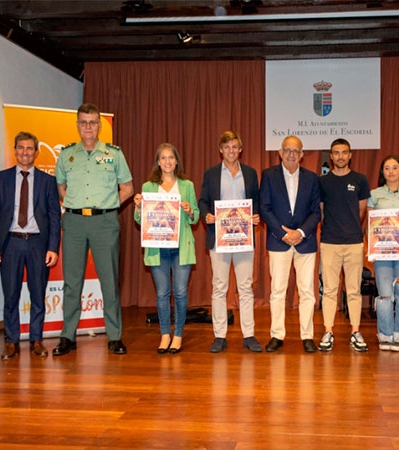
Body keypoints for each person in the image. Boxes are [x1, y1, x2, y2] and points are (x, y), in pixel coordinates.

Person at [53, 103, 134, 356]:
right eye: (83, 122)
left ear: (100, 126)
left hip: (105, 222)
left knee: (109, 281)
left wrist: (109, 206)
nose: (88, 127)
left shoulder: (114, 154)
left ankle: (114, 336)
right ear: (78, 125)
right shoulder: (66, 155)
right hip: (75, 223)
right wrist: (77, 208)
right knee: (72, 282)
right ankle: (67, 336)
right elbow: (61, 189)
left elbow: (128, 188)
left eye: (93, 122)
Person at [0, 132, 62, 360]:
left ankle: (36, 340)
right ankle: (11, 341)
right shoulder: (0, 179)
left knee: (38, 295)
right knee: (11, 295)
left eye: (30, 148)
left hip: (38, 244)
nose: (25, 152)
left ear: (36, 152)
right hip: (11, 243)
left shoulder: (48, 181)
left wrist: (52, 248)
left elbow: (54, 217)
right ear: (15, 150)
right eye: (21, 148)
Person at [198, 131, 262, 353]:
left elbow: (257, 201)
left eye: (235, 147)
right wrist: (206, 215)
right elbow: (203, 201)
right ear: (220, 150)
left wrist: (256, 215)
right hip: (220, 238)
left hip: (243, 238)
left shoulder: (251, 174)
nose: (231, 151)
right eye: (227, 147)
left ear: (240, 150)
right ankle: (219, 335)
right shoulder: (211, 174)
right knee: (219, 287)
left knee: (246, 287)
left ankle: (249, 334)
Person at [134, 143, 199, 354]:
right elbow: (140, 219)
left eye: (171, 157)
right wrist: (137, 207)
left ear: (176, 161)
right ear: (158, 162)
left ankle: (178, 334)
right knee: (162, 293)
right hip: (157, 246)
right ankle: (164, 334)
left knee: (180, 292)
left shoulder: (187, 185)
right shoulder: (148, 187)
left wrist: (190, 211)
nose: (167, 161)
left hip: (181, 246)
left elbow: (196, 216)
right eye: (163, 158)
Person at [260, 135, 321, 353]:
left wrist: (301, 232)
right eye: (288, 150)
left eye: (296, 151)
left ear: (302, 154)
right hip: (279, 241)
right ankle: (277, 335)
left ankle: (307, 336)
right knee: (277, 291)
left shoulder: (312, 178)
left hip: (305, 242)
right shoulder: (269, 176)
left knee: (307, 291)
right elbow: (264, 207)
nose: (291, 154)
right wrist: (283, 233)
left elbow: (316, 211)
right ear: (280, 152)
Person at [317, 138, 370, 352]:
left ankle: (355, 332)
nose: (340, 156)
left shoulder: (360, 179)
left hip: (354, 242)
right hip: (329, 242)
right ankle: (328, 331)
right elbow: (321, 212)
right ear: (331, 156)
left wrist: (350, 229)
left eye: (344, 152)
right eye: (336, 153)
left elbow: (361, 211)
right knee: (329, 290)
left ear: (350, 155)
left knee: (354, 290)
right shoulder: (323, 182)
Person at [367, 155, 399, 351]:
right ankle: (385, 334)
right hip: (381, 247)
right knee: (385, 294)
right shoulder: (374, 194)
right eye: (387, 168)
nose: (390, 171)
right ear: (382, 172)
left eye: (394, 167)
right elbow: (370, 225)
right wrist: (370, 248)